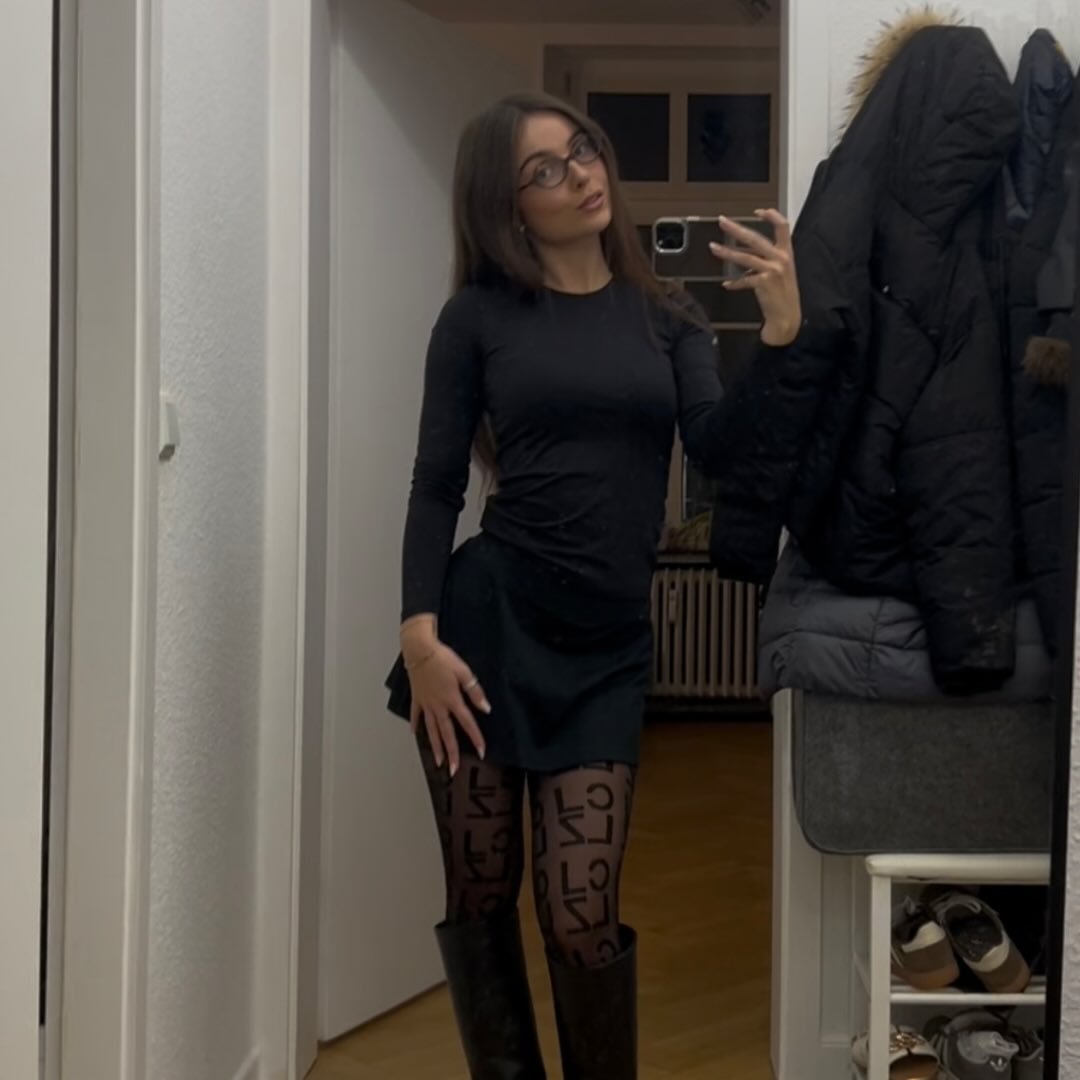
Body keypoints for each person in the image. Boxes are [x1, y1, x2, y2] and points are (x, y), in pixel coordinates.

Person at [385, 91, 803, 1079]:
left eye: (583, 149)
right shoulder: (476, 319)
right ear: (507, 207)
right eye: (546, 169)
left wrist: (782, 338)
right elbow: (436, 482)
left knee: (581, 916)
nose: (581, 173)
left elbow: (719, 449)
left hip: (608, 650)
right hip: (483, 636)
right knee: (481, 895)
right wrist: (419, 637)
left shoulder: (668, 315)